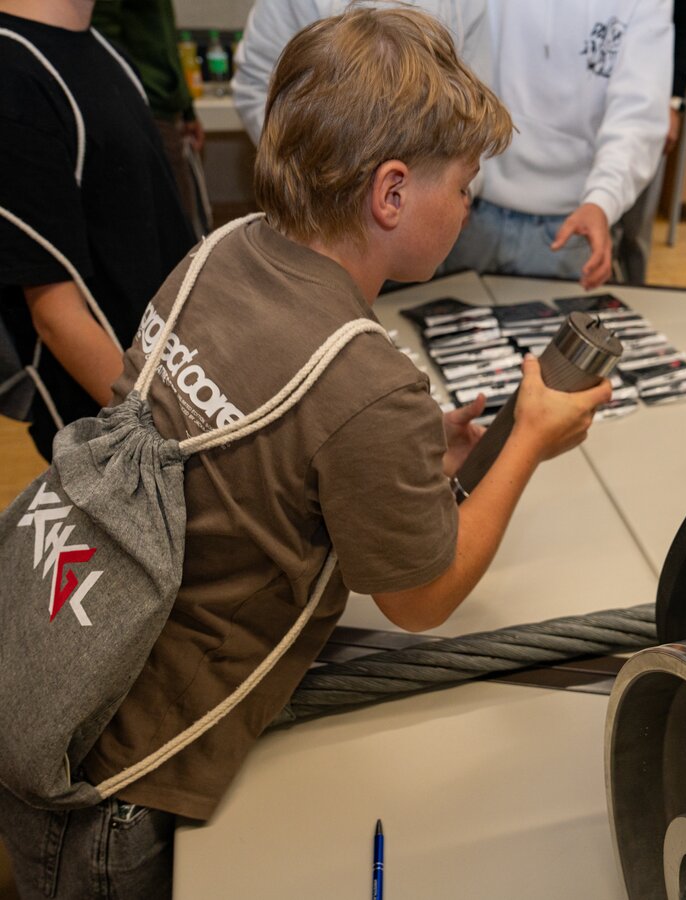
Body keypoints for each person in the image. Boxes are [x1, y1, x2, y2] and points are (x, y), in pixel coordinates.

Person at [0, 7, 611, 896]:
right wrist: (527, 438)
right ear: (391, 194)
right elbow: (422, 598)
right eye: (464, 184)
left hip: (55, 674)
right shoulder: (368, 384)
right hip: (121, 791)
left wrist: (401, 462)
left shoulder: (220, 250)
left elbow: (257, 460)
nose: (469, 203)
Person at [0, 0, 195, 462]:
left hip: (169, 388)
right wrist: (175, 430)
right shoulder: (13, 75)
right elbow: (56, 316)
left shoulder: (108, 53)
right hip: (122, 434)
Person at [440, 0, 672, 290]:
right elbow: (453, 72)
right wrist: (457, 182)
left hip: (573, 224)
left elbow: (638, 115)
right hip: (472, 210)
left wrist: (603, 201)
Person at [232, 0, 492, 144]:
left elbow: (475, 98)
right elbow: (256, 86)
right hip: (322, 198)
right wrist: (307, 175)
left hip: (432, 192)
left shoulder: (465, 6)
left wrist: (457, 186)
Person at [92, 0, 206, 236]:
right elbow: (101, 37)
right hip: (143, 109)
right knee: (172, 232)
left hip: (163, 108)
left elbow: (164, 41)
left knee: (183, 224)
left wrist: (185, 107)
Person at [613, 0, 686, 286]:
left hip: (649, 108)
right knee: (599, 222)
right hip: (595, 107)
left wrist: (673, 103)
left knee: (636, 229)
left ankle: (636, 290)